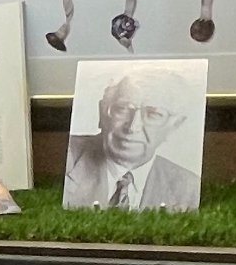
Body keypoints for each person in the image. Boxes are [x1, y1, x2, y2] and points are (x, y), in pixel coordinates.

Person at [63, 68, 200, 211]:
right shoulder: (66, 158)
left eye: (153, 114)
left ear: (174, 125)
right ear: (102, 113)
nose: (133, 127)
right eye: (122, 109)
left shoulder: (189, 189)